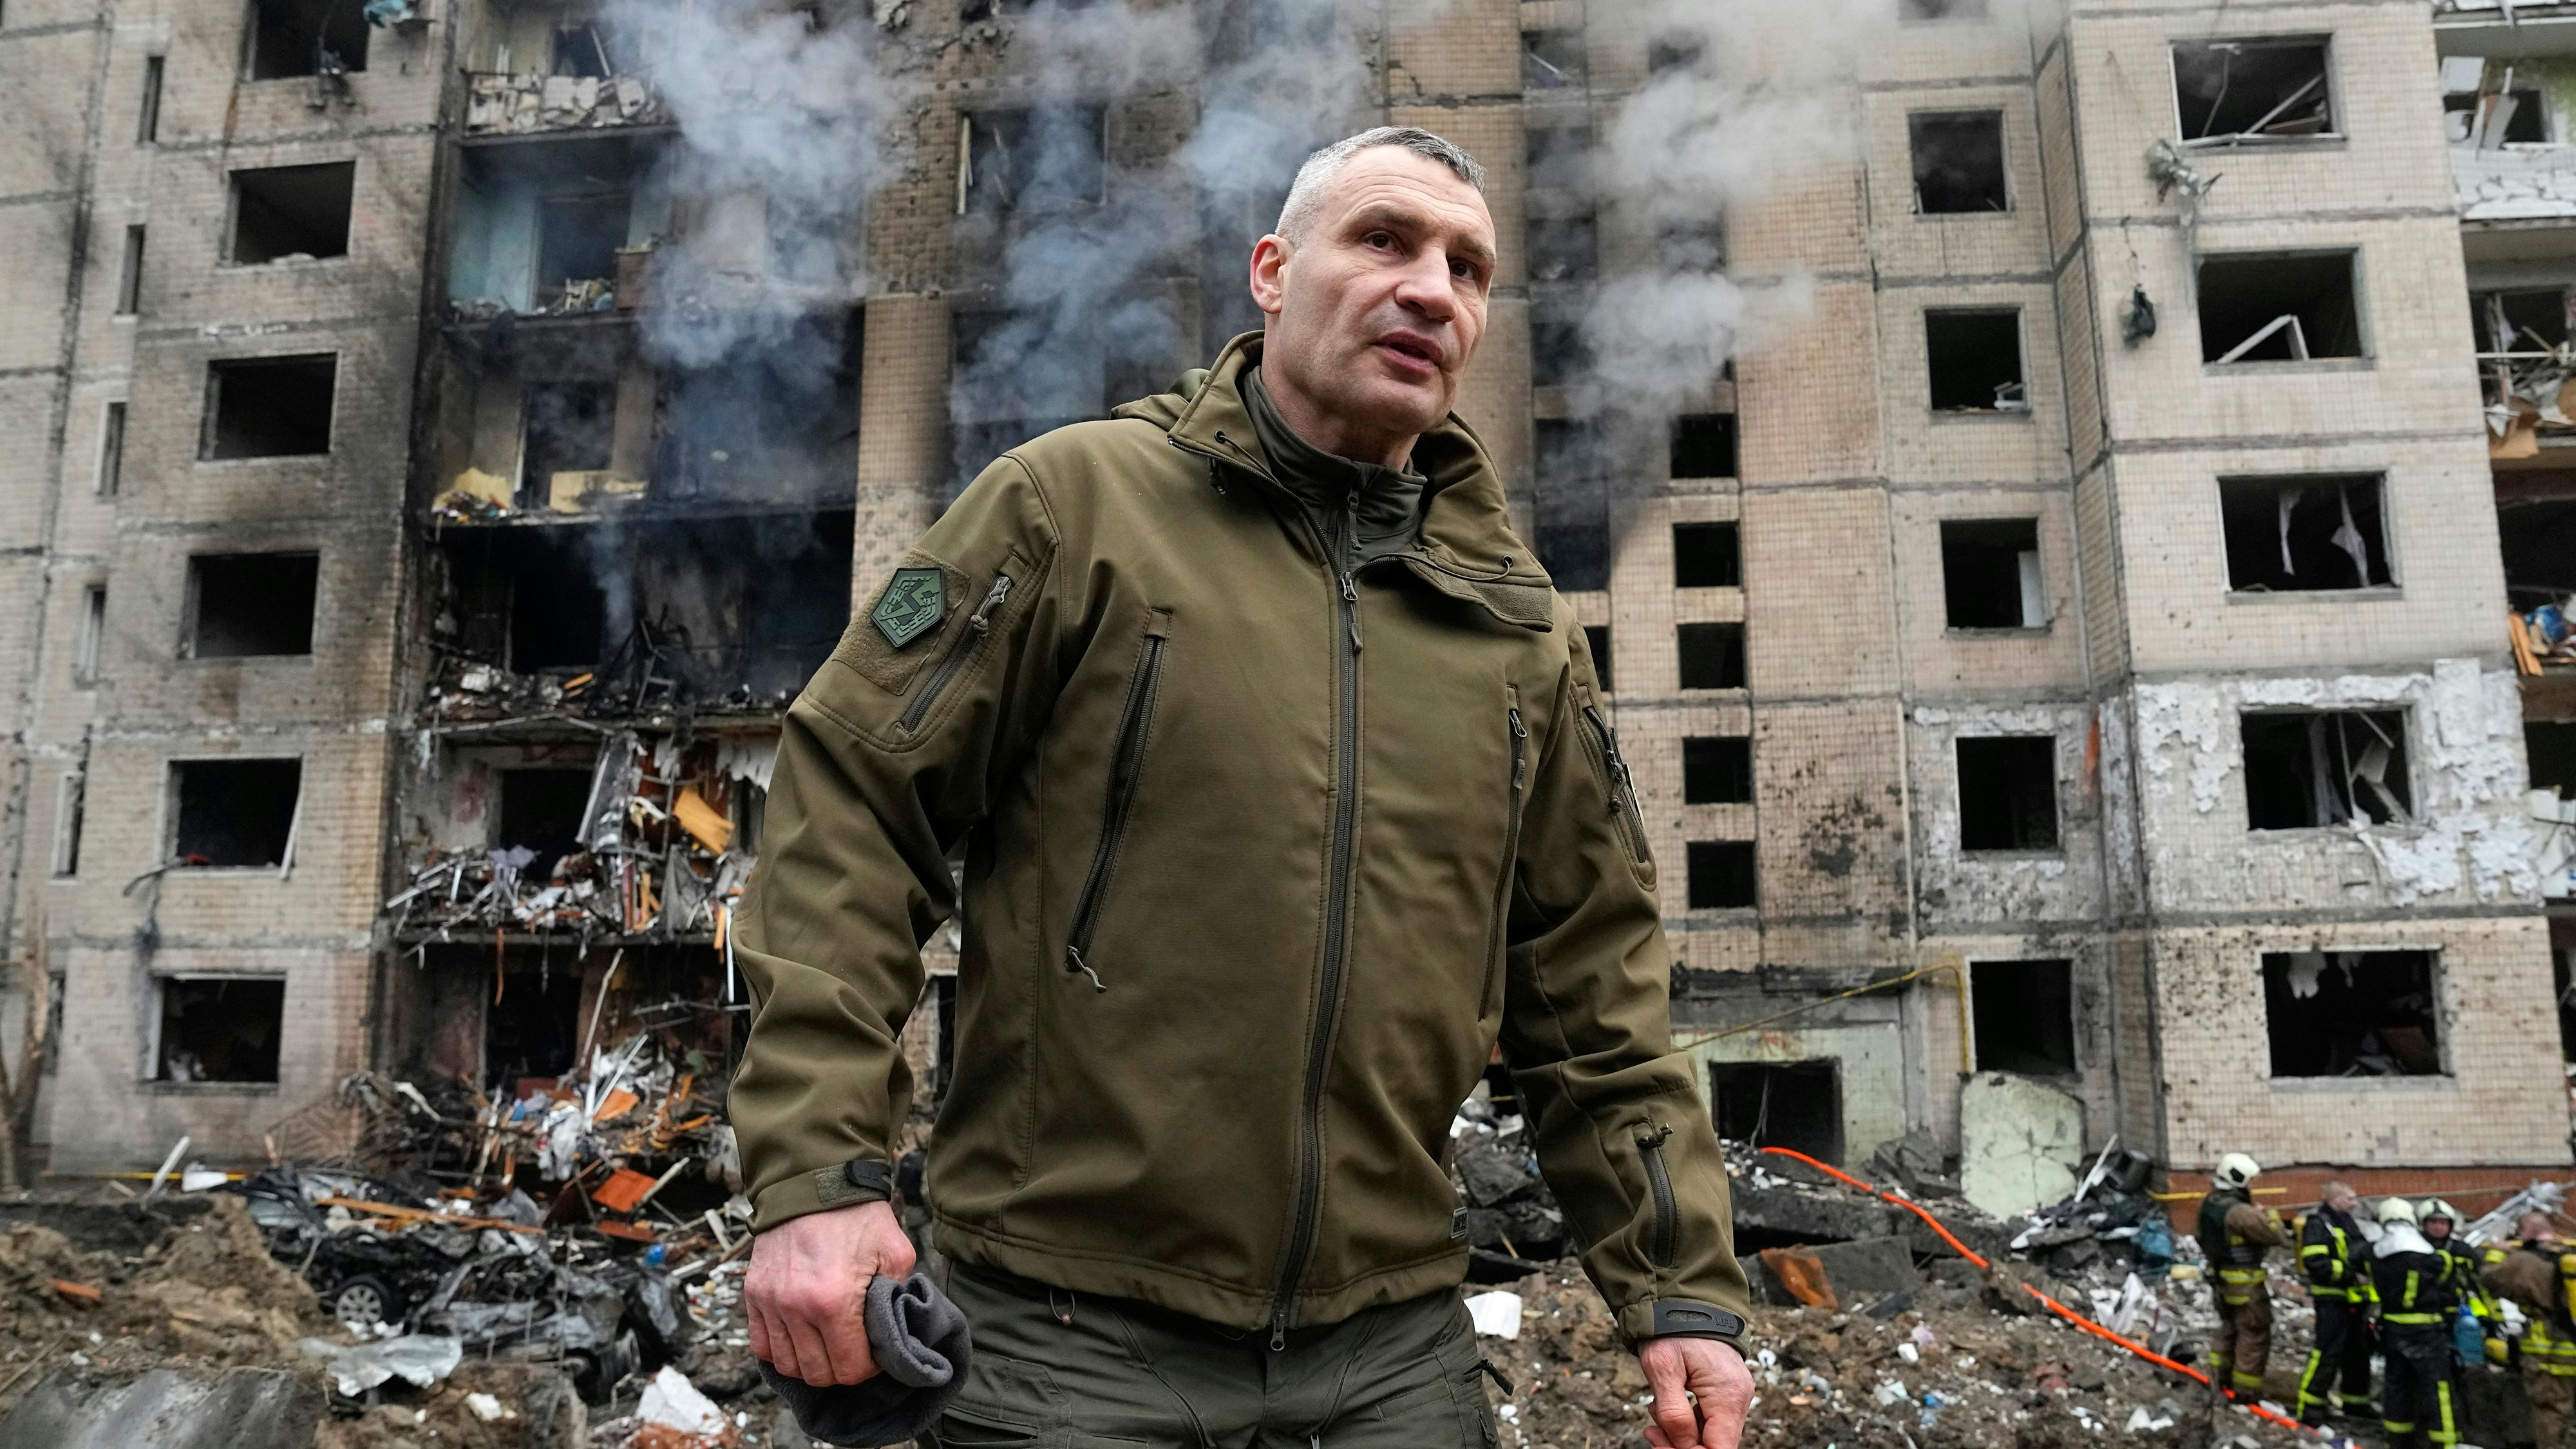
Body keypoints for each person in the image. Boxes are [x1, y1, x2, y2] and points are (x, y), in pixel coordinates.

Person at [724, 126, 1756, 1449]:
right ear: (1270, 272)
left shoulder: (1518, 632)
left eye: (1467, 268)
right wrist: (817, 1177)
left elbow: (1595, 995)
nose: (1431, 290)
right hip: (1063, 1345)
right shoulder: (1070, 511)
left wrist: (1678, 1295)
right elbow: (855, 809)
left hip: (1390, 1360)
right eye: (1381, 240)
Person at [2196, 1153, 2289, 1398]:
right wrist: (2269, 1214)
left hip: (2221, 1282)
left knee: (2229, 1330)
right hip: (2246, 1287)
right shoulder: (2239, 1212)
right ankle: (2246, 1392)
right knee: (2253, 1335)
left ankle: (2219, 1382)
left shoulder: (2210, 1204)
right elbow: (2277, 1237)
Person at [2375, 1196, 2462, 1448]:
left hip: (2392, 1329)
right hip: (2427, 1330)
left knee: (2397, 1385)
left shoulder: (2378, 1252)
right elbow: (2446, 1277)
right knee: (2439, 1389)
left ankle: (2398, 1440)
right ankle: (2445, 1442)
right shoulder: (2430, 1255)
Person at [2483, 1211, 2576, 1448]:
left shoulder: (2525, 1261)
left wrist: (2497, 1251)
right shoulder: (2570, 1254)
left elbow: (2490, 1279)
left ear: (2526, 1232)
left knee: (2551, 1410)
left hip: (2551, 1350)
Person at [2296, 1179, 2376, 1425]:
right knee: (2327, 1353)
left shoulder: (2348, 1223)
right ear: (2335, 1199)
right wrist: (2352, 1275)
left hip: (2355, 1300)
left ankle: (2356, 1402)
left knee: (2358, 1354)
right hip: (2332, 1300)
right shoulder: (2319, 1224)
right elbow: (2316, 1262)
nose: (2355, 1203)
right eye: (2350, 1198)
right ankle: (2310, 1406)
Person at [2418, 1198, 2497, 1365]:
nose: (2438, 1227)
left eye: (2443, 1222)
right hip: (2425, 1314)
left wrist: (2491, 1317)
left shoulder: (2462, 1250)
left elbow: (2479, 1283)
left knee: (2468, 1354)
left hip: (2459, 1311)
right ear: (2423, 1224)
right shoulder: (2415, 1249)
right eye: (2433, 1222)